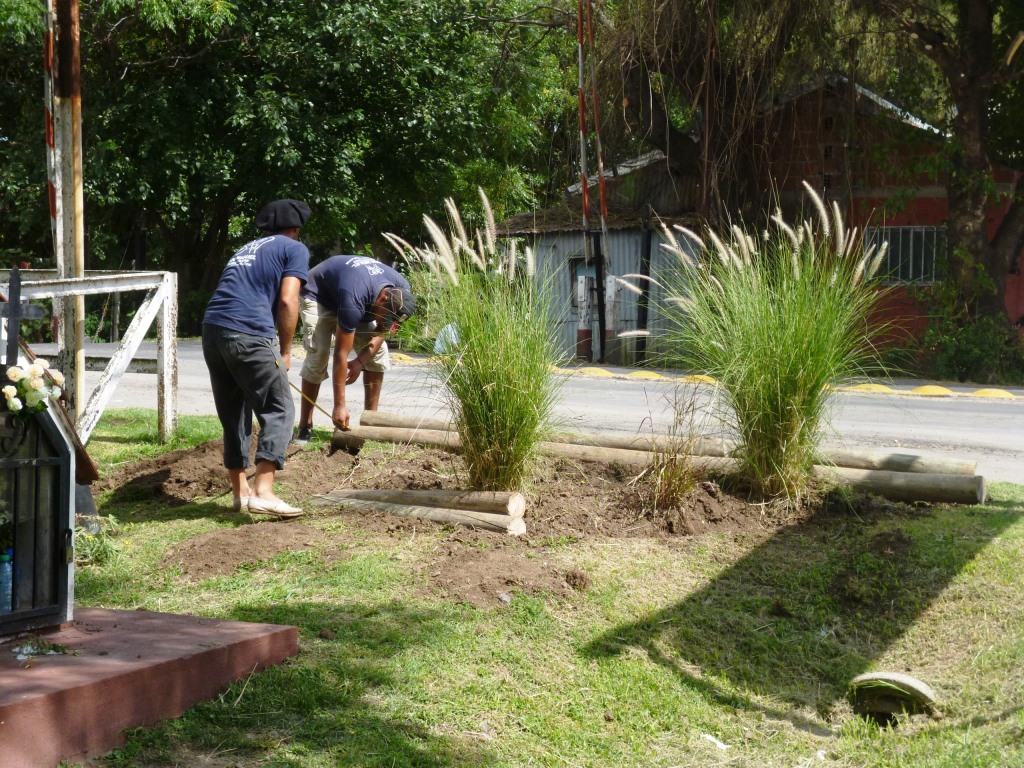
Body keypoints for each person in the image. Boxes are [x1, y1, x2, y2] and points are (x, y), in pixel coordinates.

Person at [202, 199, 311, 518]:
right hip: (248, 333)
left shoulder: (246, 248)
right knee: (279, 407)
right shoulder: (294, 248)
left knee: (233, 411)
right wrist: (286, 351)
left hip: (213, 331)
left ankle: (240, 493)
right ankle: (264, 491)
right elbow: (289, 302)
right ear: (296, 229)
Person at [294, 255, 415, 441]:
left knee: (378, 356)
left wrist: (360, 361)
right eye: (385, 317)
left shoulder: (401, 292)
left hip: (352, 295)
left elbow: (384, 331)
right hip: (319, 295)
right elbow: (341, 354)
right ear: (382, 298)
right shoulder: (356, 296)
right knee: (318, 355)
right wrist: (339, 405)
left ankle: (370, 423)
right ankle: (305, 426)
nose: (384, 322)